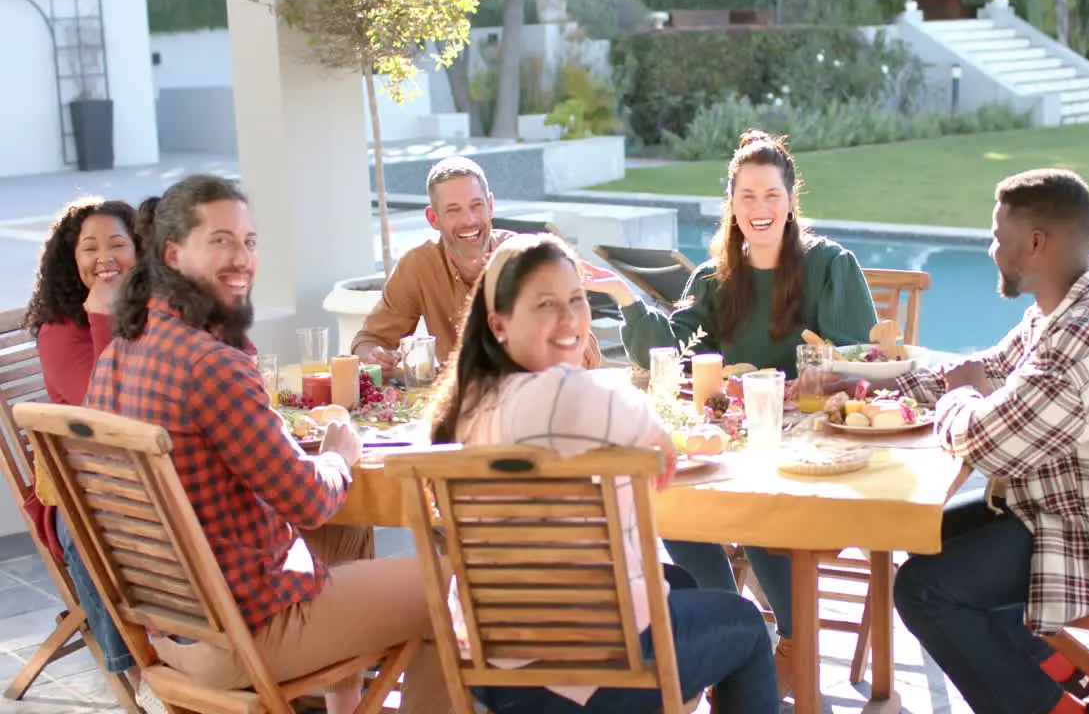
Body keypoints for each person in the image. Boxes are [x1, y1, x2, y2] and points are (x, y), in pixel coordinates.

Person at [828, 169, 1089, 714]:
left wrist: (957, 399)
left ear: (1037, 243)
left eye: (999, 237)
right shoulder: (1078, 299)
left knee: (925, 590)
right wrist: (864, 386)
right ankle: (1058, 666)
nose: (991, 248)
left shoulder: (1080, 343)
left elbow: (985, 441)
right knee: (920, 530)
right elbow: (989, 370)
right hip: (1080, 512)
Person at [86, 174, 450, 714]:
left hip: (172, 633)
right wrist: (337, 455)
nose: (242, 258)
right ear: (173, 253)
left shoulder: (122, 351)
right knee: (451, 586)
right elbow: (309, 499)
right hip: (248, 634)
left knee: (344, 538)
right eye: (221, 241)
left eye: (249, 242)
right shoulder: (209, 363)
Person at [429, 233, 780, 714]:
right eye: (545, 304)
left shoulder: (464, 404)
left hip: (495, 671)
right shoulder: (562, 391)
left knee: (677, 583)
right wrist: (656, 437)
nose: (569, 318)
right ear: (500, 324)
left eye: (576, 299)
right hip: (591, 671)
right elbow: (641, 419)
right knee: (747, 628)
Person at [583, 129, 879, 695]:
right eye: (747, 196)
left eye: (771, 195)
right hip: (730, 437)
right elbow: (670, 348)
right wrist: (623, 297)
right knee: (670, 501)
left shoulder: (829, 266)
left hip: (809, 442)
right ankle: (726, 631)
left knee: (760, 513)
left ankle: (795, 643)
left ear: (791, 200)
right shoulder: (716, 278)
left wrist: (811, 379)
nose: (760, 208)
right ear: (732, 203)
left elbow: (856, 359)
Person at [21, 197, 165, 714]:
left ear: (140, 251)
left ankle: (235, 649)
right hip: (84, 496)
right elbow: (112, 415)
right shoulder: (60, 331)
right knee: (109, 525)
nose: (104, 257)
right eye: (90, 247)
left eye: (117, 244)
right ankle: (146, 671)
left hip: (157, 478)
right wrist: (102, 315)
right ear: (70, 258)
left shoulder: (159, 314)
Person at [351, 155, 600, 371]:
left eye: (476, 206)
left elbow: (586, 353)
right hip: (460, 405)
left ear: (490, 206)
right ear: (433, 218)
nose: (469, 220)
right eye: (453, 210)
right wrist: (374, 355)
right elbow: (368, 341)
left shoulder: (525, 259)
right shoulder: (418, 265)